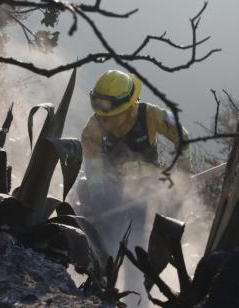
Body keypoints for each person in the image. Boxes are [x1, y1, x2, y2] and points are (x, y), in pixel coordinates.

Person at [79, 69, 191, 306]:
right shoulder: (94, 128)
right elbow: (94, 168)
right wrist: (100, 197)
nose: (105, 119)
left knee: (138, 243)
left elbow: (182, 135)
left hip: (145, 193)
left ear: (127, 105)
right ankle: (99, 286)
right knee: (106, 241)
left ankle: (136, 297)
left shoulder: (150, 115)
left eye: (109, 112)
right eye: (99, 109)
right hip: (112, 195)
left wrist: (181, 171)